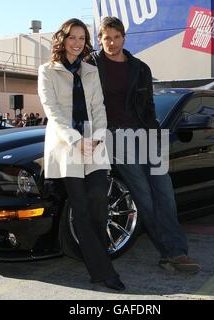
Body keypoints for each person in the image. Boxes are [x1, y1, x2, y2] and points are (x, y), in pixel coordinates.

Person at [88, 16, 201, 274]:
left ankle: (176, 250)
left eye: (117, 37)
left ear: (124, 38)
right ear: (99, 39)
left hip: (147, 135)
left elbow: (149, 107)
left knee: (165, 193)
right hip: (116, 136)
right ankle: (171, 253)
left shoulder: (140, 68)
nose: (112, 43)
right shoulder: (90, 66)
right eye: (107, 38)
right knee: (144, 195)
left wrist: (155, 136)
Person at [38, 18, 124, 291]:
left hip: (94, 143)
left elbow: (99, 107)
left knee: (99, 200)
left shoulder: (90, 70)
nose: (77, 43)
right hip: (66, 146)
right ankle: (103, 269)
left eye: (81, 38)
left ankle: (98, 256)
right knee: (82, 209)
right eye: (71, 37)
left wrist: (97, 138)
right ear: (62, 39)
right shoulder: (47, 71)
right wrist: (76, 141)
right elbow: (53, 112)